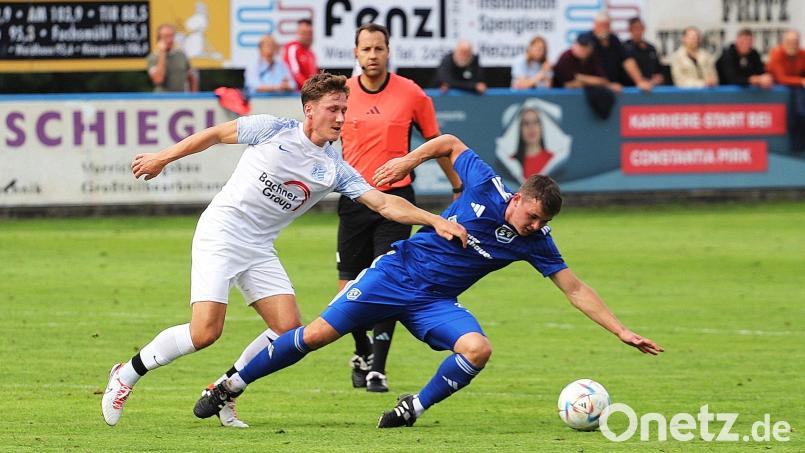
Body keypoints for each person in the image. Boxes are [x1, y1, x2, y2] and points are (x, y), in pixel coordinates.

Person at [192, 134, 664, 429]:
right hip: (393, 275)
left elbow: (574, 287)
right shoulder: (486, 186)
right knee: (314, 335)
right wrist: (405, 162)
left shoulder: (535, 241)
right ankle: (229, 386)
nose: (535, 227)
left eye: (542, 223)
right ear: (519, 199)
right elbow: (449, 142)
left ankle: (411, 408)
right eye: (534, 217)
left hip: (434, 301)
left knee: (478, 349)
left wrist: (620, 329)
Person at [100, 73, 467, 428]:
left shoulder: (334, 168)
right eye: (332, 109)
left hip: (259, 247)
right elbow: (213, 134)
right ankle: (127, 373)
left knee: (288, 330)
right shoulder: (272, 129)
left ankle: (225, 389)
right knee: (205, 333)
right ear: (309, 110)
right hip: (221, 232)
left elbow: (384, 204)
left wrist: (435, 220)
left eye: (344, 109)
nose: (341, 118)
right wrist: (163, 158)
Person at [336, 23, 463, 393]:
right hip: (355, 200)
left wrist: (457, 185)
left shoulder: (411, 93)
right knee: (349, 287)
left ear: (388, 51)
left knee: (388, 278)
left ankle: (377, 367)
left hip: (399, 200)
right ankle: (360, 350)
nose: (372, 55)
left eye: (379, 48)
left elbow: (437, 143)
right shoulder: (342, 93)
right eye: (366, 49)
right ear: (356, 54)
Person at [577, 11, 653, 92]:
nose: (603, 29)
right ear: (594, 25)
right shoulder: (586, 39)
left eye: (606, 26)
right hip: (590, 90)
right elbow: (580, 70)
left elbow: (627, 61)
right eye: (600, 25)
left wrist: (640, 81)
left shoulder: (614, 40)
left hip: (614, 88)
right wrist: (606, 85)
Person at [766, 29, 805, 152]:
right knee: (794, 115)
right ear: (784, 42)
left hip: (798, 90)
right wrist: (801, 81)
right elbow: (781, 78)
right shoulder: (777, 54)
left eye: (795, 42)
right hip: (779, 92)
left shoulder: (802, 54)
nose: (792, 45)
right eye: (789, 41)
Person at [508, 108, 561, 180]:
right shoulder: (511, 163)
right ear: (520, 130)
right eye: (526, 123)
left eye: (535, 122)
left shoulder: (553, 161)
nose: (531, 128)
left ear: (541, 127)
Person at [147, 24, 198, 92]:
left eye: (172, 36)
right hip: (162, 100)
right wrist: (162, 53)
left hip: (181, 99)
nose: (169, 40)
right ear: (159, 39)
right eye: (166, 36)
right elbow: (158, 79)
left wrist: (194, 97)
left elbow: (191, 76)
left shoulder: (181, 55)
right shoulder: (153, 57)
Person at [622, 17, 664, 88]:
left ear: (644, 29)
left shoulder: (651, 48)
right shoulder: (624, 47)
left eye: (640, 28)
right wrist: (641, 81)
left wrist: (656, 80)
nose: (638, 31)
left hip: (652, 89)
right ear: (630, 30)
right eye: (635, 28)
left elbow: (659, 72)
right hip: (632, 89)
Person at [283, 18, 319, 89]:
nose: (307, 36)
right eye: (304, 33)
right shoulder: (292, 48)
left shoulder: (311, 54)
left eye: (310, 33)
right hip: (296, 94)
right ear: (298, 33)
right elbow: (295, 73)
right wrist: (311, 88)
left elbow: (314, 75)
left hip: (309, 93)